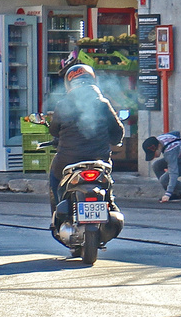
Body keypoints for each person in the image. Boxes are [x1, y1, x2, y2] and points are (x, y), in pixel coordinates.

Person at [44, 61, 124, 218]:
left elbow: (54, 130)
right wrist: (116, 141)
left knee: (54, 177)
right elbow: (118, 131)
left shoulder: (63, 104)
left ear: (69, 84)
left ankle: (56, 212)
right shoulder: (102, 103)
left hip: (68, 160)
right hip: (99, 159)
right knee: (107, 180)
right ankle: (110, 202)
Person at [142, 132, 181, 203]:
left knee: (164, 179)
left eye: (154, 153)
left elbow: (173, 173)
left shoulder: (169, 152)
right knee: (156, 165)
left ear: (159, 146)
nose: (154, 156)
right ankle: (175, 193)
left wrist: (168, 193)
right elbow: (176, 133)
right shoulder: (162, 138)